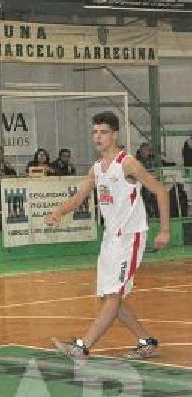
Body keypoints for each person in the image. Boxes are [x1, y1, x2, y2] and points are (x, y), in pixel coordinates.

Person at [47, 111, 170, 362]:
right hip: (110, 238)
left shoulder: (127, 163)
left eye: (103, 132)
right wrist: (59, 211)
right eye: (95, 132)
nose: (98, 137)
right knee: (107, 297)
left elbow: (160, 191)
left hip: (130, 236)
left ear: (114, 134)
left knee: (113, 296)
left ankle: (82, 346)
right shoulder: (96, 169)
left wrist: (165, 229)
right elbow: (78, 198)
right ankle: (147, 342)